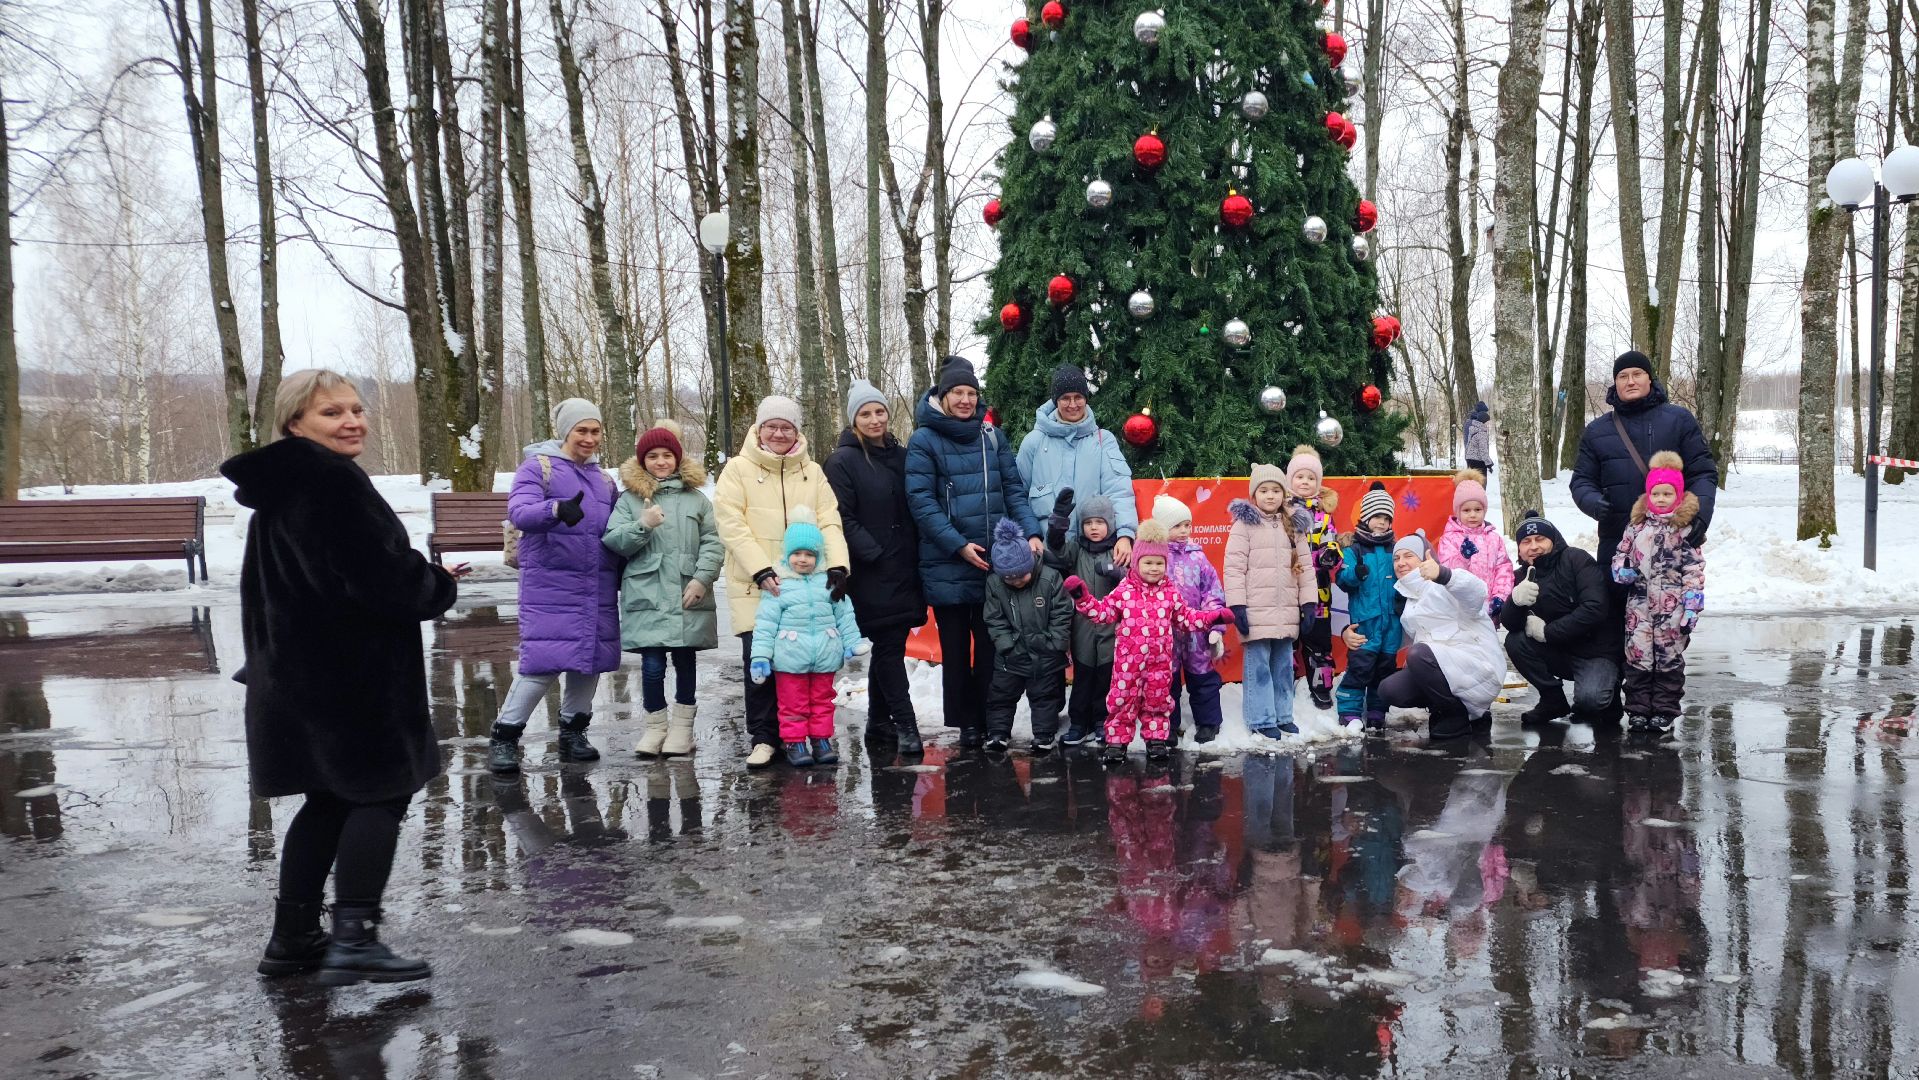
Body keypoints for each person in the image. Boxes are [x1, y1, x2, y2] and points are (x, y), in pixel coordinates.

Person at [222, 368, 463, 986]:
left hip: (297, 675)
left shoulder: (282, 487)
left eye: (357, 409)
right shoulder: (331, 483)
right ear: (295, 423)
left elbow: (274, 589)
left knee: (326, 801)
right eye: (332, 413)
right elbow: (384, 584)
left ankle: (293, 939)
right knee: (381, 793)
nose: (352, 421)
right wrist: (438, 583)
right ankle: (355, 938)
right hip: (353, 681)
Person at [904, 356, 1043, 749]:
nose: (965, 400)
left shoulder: (991, 437)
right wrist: (958, 545)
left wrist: (1030, 533)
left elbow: (1013, 490)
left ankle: (988, 718)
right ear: (943, 396)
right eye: (957, 393)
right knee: (954, 646)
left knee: (989, 644)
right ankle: (965, 723)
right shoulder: (923, 441)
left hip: (991, 563)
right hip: (948, 559)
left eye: (971, 393)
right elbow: (921, 502)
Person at [487, 398, 622, 774]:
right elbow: (520, 512)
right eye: (582, 430)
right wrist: (556, 510)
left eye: (595, 431)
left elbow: (614, 530)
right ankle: (505, 737)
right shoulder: (537, 468)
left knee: (588, 661)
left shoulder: (603, 479)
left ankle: (573, 734)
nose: (589, 438)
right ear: (566, 431)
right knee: (541, 664)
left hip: (596, 583)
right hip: (551, 583)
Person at [714, 396, 850, 769]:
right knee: (759, 662)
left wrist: (836, 565)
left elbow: (829, 521)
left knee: (803, 668)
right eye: (771, 426)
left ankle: (804, 736)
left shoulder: (812, 472)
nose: (778, 433)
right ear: (759, 429)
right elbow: (730, 523)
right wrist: (760, 568)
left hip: (805, 584)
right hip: (755, 583)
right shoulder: (738, 470)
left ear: (796, 432)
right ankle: (763, 738)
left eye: (786, 427)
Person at [1063, 520, 1235, 764]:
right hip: (1127, 666)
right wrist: (1083, 597)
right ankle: (1116, 743)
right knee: (1122, 702)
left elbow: (1187, 618)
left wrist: (1213, 617)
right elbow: (1102, 613)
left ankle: (1156, 741)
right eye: (1148, 563)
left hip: (1159, 665)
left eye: (1159, 564)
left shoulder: (1169, 592)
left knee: (1158, 702)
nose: (1154, 569)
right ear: (1136, 563)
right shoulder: (1125, 590)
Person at [604, 420, 724, 758]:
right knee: (653, 666)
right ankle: (655, 727)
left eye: (667, 455)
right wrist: (642, 525)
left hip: (687, 591)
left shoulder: (697, 499)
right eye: (653, 456)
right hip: (648, 595)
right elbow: (614, 540)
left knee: (685, 662)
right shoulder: (630, 500)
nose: (660, 462)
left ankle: (682, 730)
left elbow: (713, 544)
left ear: (678, 458)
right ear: (643, 461)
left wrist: (702, 579)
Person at [823, 380, 928, 754]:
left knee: (893, 647)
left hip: (905, 567)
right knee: (887, 645)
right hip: (872, 570)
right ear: (854, 420)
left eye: (879, 411)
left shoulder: (900, 456)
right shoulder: (842, 462)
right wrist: (876, 552)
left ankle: (878, 722)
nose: (874, 419)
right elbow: (841, 517)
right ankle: (907, 726)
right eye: (865, 414)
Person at [1571, 350, 1718, 569]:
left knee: (1667, 602)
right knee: (1616, 602)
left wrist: (1700, 515)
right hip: (1618, 541)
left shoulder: (1679, 420)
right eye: (1623, 376)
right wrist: (1593, 502)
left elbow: (1702, 472)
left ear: (1649, 378)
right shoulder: (1596, 431)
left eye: (1637, 374)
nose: (1630, 381)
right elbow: (1582, 480)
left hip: (1671, 540)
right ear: (1615, 383)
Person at [747, 508, 863, 768]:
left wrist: (852, 641)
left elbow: (845, 614)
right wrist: (760, 657)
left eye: (809, 554)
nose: (803, 559)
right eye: (797, 554)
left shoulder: (829, 582)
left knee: (823, 701)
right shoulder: (778, 586)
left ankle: (821, 741)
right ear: (787, 555)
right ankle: (795, 742)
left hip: (824, 654)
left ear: (818, 556)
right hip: (790, 657)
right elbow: (765, 624)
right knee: (792, 704)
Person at [1610, 452, 1707, 737]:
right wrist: (1622, 570)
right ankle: (1638, 710)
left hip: (1672, 608)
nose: (1662, 498)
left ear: (1677, 496)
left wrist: (1691, 606)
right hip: (1639, 607)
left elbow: (1694, 570)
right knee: (1638, 659)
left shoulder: (1685, 530)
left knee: (1668, 661)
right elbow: (1621, 554)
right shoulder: (1637, 526)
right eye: (1657, 492)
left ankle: (1664, 711)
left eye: (1668, 493)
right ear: (1648, 494)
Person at [1377, 532, 1505, 739]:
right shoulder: (1410, 600)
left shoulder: (1445, 584)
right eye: (1396, 558)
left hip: (1478, 667)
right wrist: (1355, 636)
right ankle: (1450, 709)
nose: (1401, 563)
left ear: (1425, 558)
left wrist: (1443, 575)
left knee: (1418, 654)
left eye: (1408, 556)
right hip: (1446, 670)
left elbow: (1477, 591)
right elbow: (1399, 639)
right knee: (1388, 690)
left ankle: (1454, 716)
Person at [1500, 511, 1621, 724]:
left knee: (1590, 702)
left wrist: (1547, 632)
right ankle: (1552, 700)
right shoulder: (1521, 576)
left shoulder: (1576, 559)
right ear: (1519, 548)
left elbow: (1595, 608)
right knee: (1515, 640)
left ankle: (1610, 691)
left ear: (1553, 540)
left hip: (1595, 651)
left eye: (1540, 539)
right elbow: (1511, 624)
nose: (1534, 546)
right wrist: (1515, 602)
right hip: (1558, 652)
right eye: (1526, 541)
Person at [1224, 463, 1317, 740]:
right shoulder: (1244, 525)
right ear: (1254, 495)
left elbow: (1305, 567)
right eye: (1263, 490)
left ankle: (1283, 715)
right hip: (1256, 611)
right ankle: (1261, 718)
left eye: (1275, 490)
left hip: (1286, 610)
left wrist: (1308, 603)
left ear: (1283, 493)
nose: (1270, 496)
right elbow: (1233, 567)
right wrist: (1237, 605)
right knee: (1259, 667)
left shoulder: (1294, 526)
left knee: (1282, 666)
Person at [1016, 364, 1140, 566]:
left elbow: (1119, 490)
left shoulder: (1103, 440)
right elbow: (1017, 495)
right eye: (1065, 398)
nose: (1072, 404)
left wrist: (1125, 535)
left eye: (1078, 397)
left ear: (1086, 399)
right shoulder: (1033, 442)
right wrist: (1030, 535)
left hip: (1092, 555)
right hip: (1045, 555)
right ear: (1056, 401)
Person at [983, 518, 1073, 753]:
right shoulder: (995, 584)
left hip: (1046, 652)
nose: (1015, 581)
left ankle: (1044, 735)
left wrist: (1056, 642)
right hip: (1010, 655)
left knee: (1045, 696)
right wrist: (1005, 645)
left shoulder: (1050, 578)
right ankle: (998, 733)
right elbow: (994, 617)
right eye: (1008, 578)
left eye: (1020, 575)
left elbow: (1062, 612)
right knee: (1001, 695)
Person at [1043, 488, 1125, 747]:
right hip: (1082, 626)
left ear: (1109, 524)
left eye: (1099, 522)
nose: (1093, 528)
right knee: (1082, 675)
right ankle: (1079, 722)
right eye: (1088, 523)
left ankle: (1102, 720)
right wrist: (1058, 520)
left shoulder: (1118, 551)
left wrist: (1117, 573)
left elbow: (1133, 581)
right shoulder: (1076, 550)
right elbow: (1054, 549)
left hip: (1111, 626)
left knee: (1106, 676)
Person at [1153, 495, 1230, 743]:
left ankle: (1208, 722)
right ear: (1163, 527)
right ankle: (1168, 725)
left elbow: (1212, 591)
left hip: (1197, 630)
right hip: (1166, 633)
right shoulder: (1155, 559)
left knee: (1202, 677)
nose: (1184, 530)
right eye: (1177, 526)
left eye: (1187, 524)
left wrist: (1214, 626)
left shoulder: (1198, 557)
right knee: (1167, 680)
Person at [1335, 482, 1404, 730]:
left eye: (1386, 518)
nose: (1382, 522)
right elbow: (1342, 580)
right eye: (1376, 516)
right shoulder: (1355, 549)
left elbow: (1405, 576)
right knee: (1361, 667)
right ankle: (1349, 710)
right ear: (1365, 517)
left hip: (1391, 623)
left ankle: (1377, 710)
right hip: (1366, 622)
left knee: (1384, 669)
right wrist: (1357, 573)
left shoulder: (1395, 548)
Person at [1284, 445, 1343, 710]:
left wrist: (1329, 555)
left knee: (1318, 641)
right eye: (1300, 477)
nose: (1305, 482)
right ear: (1290, 480)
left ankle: (1321, 687)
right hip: (1287, 588)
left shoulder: (1323, 516)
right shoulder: (1282, 512)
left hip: (1318, 590)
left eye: (1310, 478)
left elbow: (1330, 541)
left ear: (1317, 483)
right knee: (1286, 641)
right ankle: (1285, 686)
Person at [1435, 469, 1514, 617]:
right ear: (1458, 512)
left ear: (1484, 510)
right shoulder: (1449, 539)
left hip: (1489, 608)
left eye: (1478, 509)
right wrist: (1463, 557)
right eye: (1466, 510)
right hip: (1458, 609)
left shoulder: (1494, 539)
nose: (1472, 514)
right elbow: (1446, 572)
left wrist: (1500, 596)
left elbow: (1504, 569)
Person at [1463, 401, 1493, 474]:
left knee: (1472, 482)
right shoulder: (1481, 432)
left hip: (1469, 457)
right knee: (1479, 483)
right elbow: (1483, 449)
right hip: (1478, 460)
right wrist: (1489, 463)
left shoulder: (1472, 427)